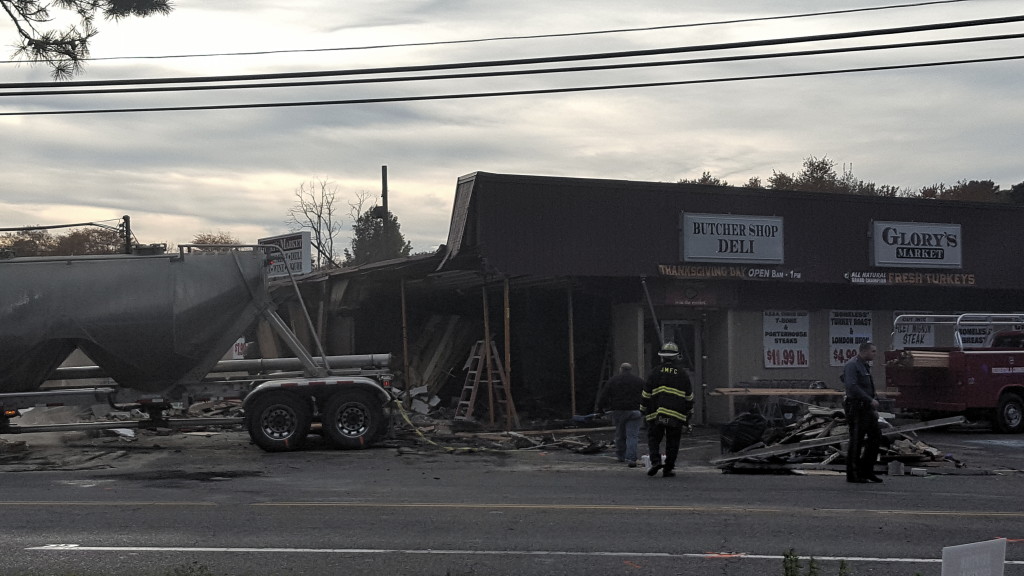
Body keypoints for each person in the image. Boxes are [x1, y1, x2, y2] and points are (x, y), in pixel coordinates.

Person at [642, 342, 694, 478]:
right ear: (676, 357)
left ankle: (655, 461)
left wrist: (643, 409)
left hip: (656, 414)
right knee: (673, 441)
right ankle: (668, 469)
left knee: (654, 438)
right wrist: (688, 412)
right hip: (676, 415)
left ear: (662, 357)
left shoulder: (655, 372)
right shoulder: (683, 374)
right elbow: (689, 396)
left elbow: (646, 393)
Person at [844, 341, 883, 484]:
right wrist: (868, 399)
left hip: (867, 408)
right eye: (873, 351)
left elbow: (868, 386)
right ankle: (853, 474)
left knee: (876, 437)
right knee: (857, 440)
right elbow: (851, 386)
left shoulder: (865, 366)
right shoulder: (852, 365)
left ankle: (867, 471)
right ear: (864, 351)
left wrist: (873, 403)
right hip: (857, 407)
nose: (875, 354)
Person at [596, 362, 645, 467]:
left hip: (618, 411)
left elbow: (604, 395)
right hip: (635, 411)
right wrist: (646, 409)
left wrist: (600, 409)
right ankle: (631, 457)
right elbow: (647, 395)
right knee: (632, 436)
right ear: (630, 370)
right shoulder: (639, 381)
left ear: (621, 369)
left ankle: (621, 456)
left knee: (620, 434)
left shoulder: (613, 380)